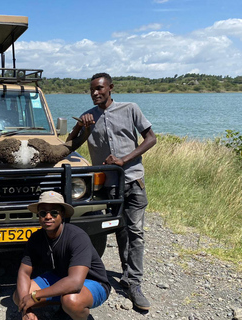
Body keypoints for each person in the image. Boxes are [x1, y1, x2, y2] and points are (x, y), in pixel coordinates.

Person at [66, 73, 157, 311]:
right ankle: (124, 273)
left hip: (133, 180)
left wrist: (124, 159)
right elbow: (69, 146)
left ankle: (134, 284)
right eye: (92, 90)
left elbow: (151, 138)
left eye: (100, 88)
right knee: (117, 229)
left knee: (136, 231)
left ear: (110, 88)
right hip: (107, 186)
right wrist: (78, 126)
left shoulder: (130, 108)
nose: (96, 93)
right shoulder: (89, 118)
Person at [13, 191, 111, 320]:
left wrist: (35, 296)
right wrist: (26, 309)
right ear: (38, 215)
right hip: (61, 277)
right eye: (43, 213)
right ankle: (62, 306)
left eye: (54, 212)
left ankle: (73, 311)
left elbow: (75, 283)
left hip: (92, 282)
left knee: (71, 301)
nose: (48, 216)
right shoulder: (36, 238)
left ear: (62, 214)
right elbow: (24, 273)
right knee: (18, 295)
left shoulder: (77, 237)